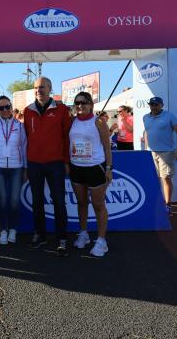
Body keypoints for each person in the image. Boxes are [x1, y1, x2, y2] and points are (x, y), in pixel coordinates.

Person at [24, 77, 71, 255]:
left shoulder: (61, 109)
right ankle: (40, 235)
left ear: (50, 88)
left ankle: (62, 238)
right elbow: (27, 137)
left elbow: (67, 137)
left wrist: (66, 161)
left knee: (59, 201)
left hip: (55, 163)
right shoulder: (28, 111)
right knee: (37, 202)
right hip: (34, 164)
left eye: (42, 87)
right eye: (36, 87)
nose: (39, 90)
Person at [69, 92, 113, 257]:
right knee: (81, 203)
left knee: (98, 205)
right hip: (77, 167)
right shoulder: (73, 121)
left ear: (91, 105)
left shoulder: (99, 122)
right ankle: (84, 233)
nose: (80, 106)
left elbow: (107, 147)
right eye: (77, 103)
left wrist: (109, 168)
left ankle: (101, 240)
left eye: (84, 102)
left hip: (95, 167)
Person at [0, 96, 27, 245]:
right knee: (2, 200)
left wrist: (26, 167)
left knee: (14, 201)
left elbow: (24, 146)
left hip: (16, 167)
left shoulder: (20, 126)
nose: (5, 110)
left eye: (7, 107)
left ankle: (13, 229)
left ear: (11, 107)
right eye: (1, 108)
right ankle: (3, 229)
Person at [143, 97, 177, 214]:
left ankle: (168, 204)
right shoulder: (145, 117)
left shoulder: (169, 115)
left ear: (162, 105)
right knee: (153, 179)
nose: (153, 107)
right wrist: (146, 149)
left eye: (156, 104)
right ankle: (156, 204)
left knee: (165, 178)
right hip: (151, 153)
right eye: (151, 104)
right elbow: (147, 133)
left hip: (166, 152)